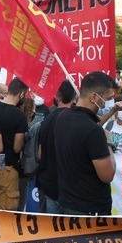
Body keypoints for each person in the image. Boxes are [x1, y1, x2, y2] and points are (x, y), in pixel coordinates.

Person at [54, 72, 118, 215]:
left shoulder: (63, 117)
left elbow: (87, 126)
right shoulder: (94, 131)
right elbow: (107, 175)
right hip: (91, 210)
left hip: (68, 202)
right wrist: (108, 144)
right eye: (108, 99)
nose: (108, 103)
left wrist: (114, 110)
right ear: (94, 97)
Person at [0, 77, 29, 211]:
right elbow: (17, 147)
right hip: (8, 169)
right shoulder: (20, 116)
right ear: (21, 94)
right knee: (6, 213)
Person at [37, 80, 77, 214]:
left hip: (48, 185)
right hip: (72, 189)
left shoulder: (46, 120)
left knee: (51, 231)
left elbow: (39, 154)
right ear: (75, 97)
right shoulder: (78, 120)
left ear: (57, 97)